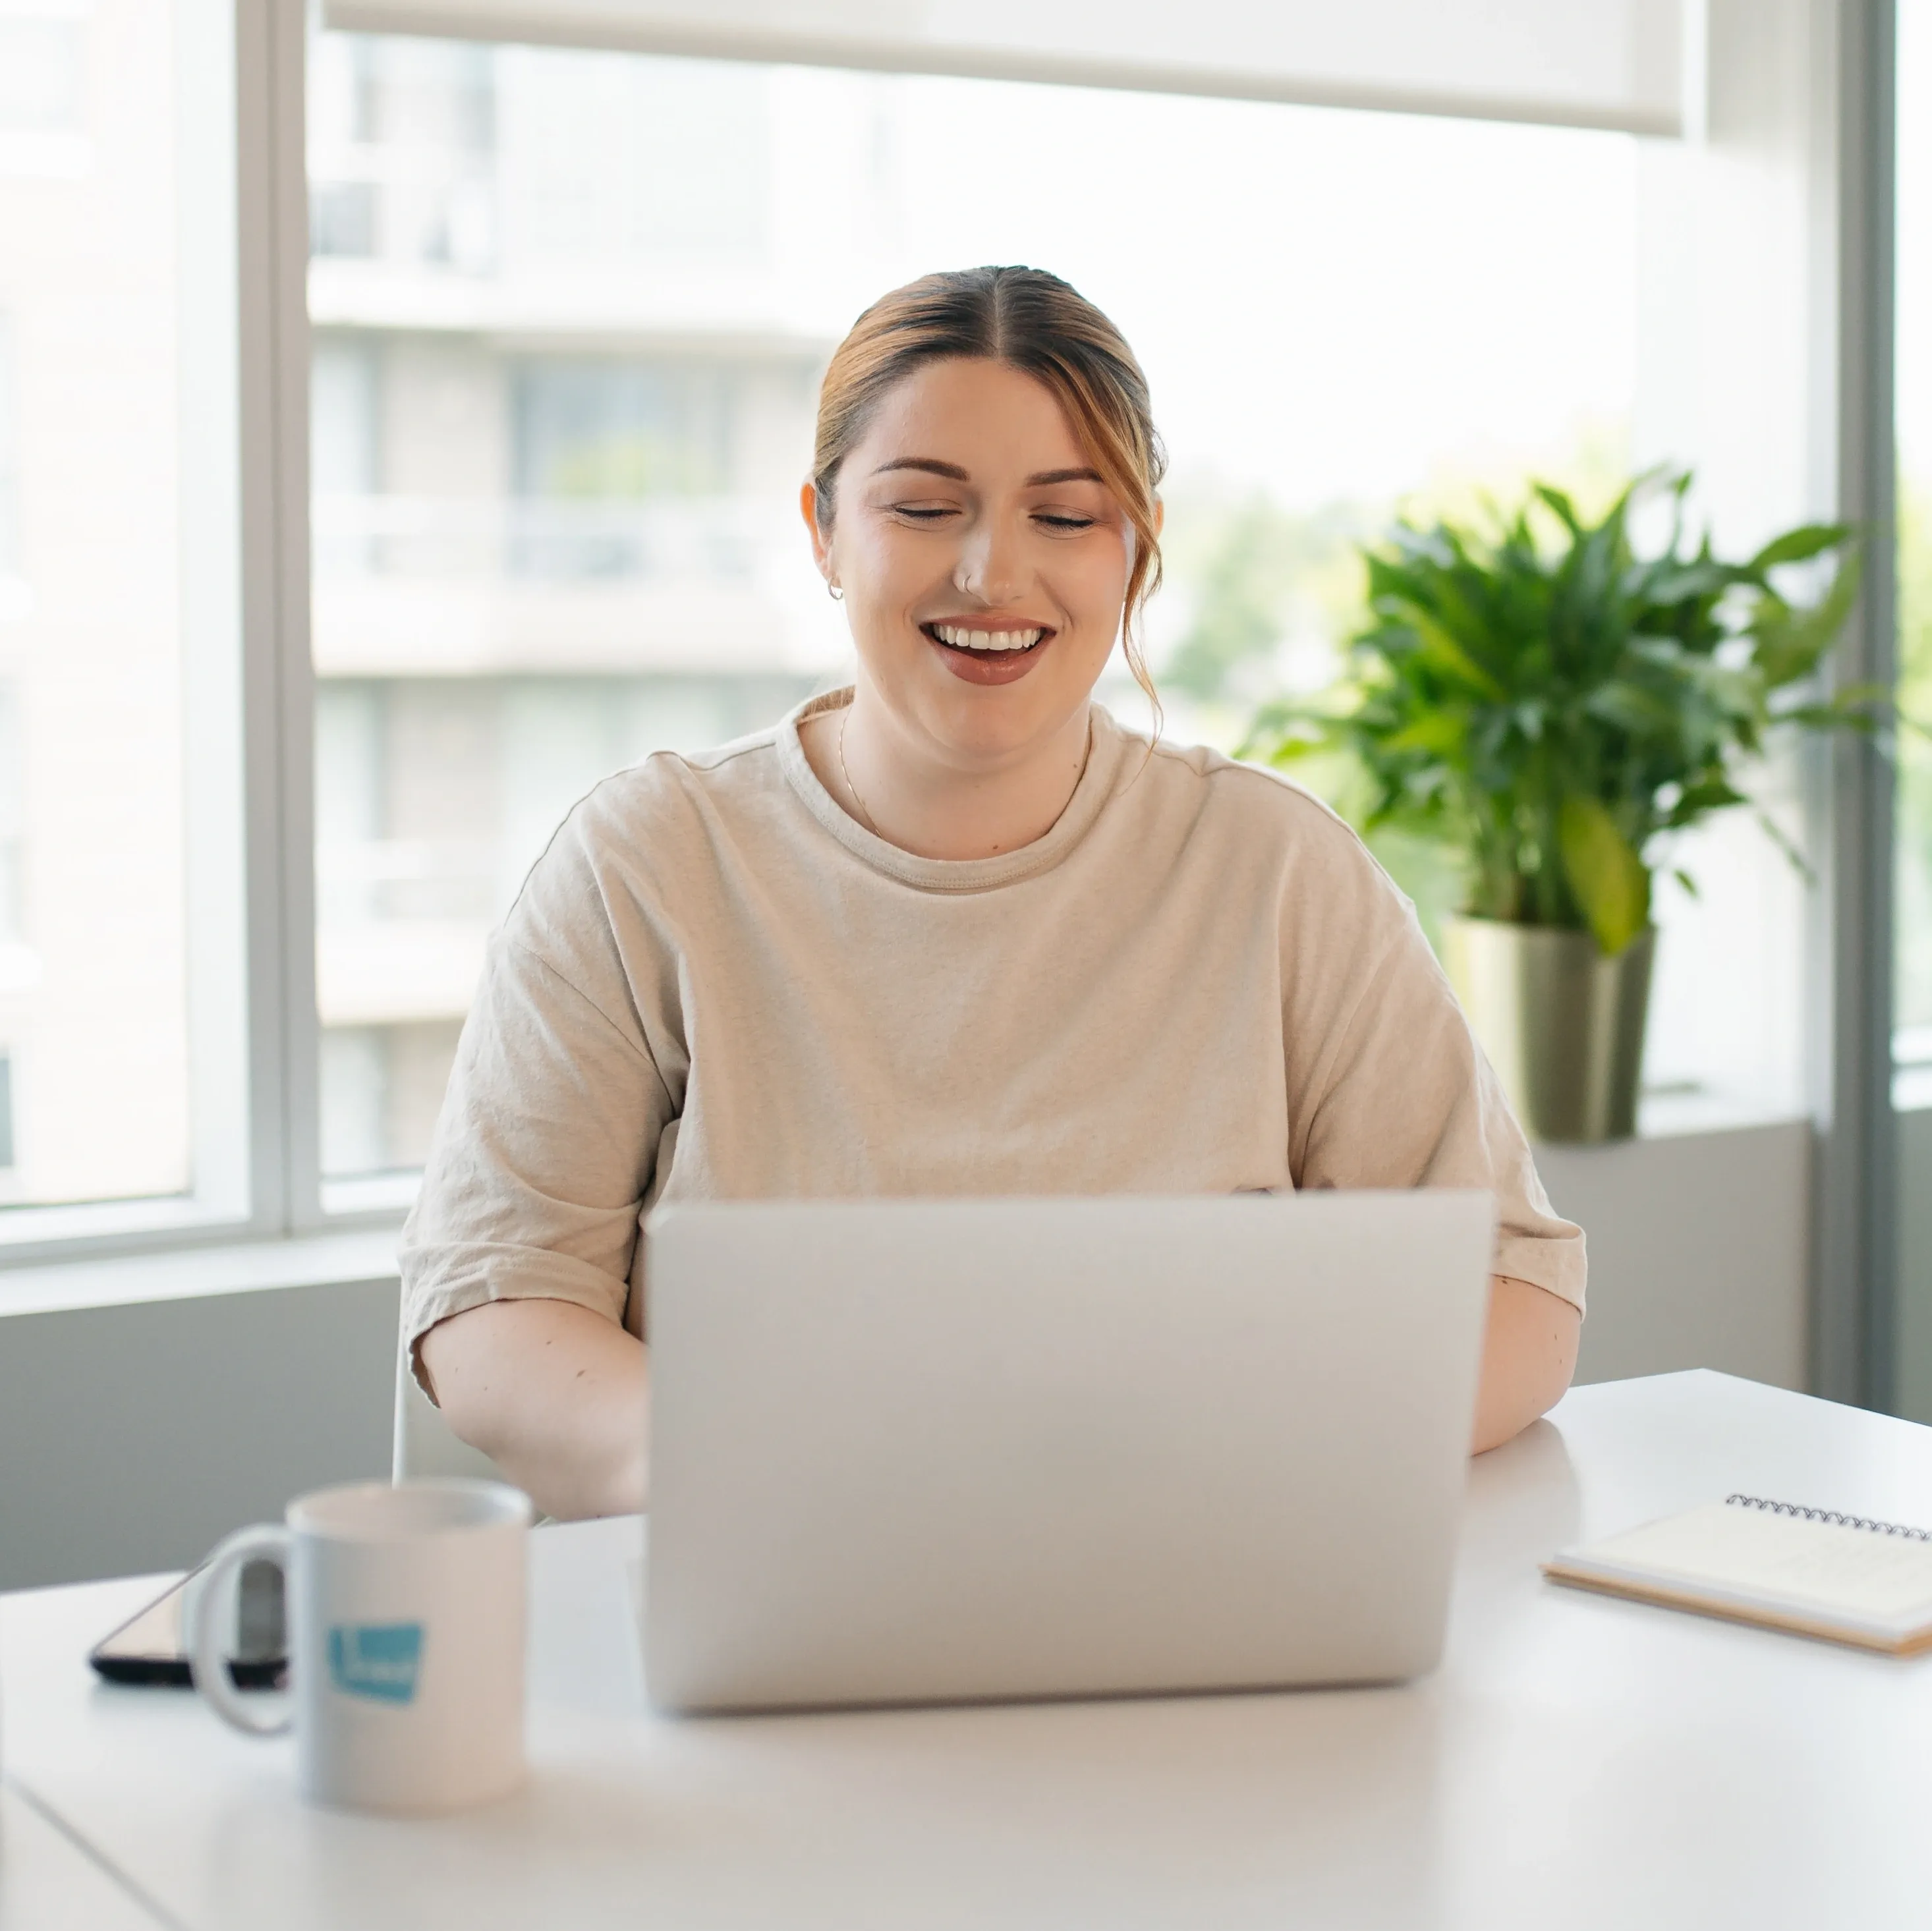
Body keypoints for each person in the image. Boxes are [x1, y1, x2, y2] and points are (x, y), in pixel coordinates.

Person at [403, 266, 1585, 1521]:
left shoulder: (1277, 868)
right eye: (922, 506)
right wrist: (758, 1476)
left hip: (1186, 1593)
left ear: (1136, 550)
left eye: (1067, 519)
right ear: (821, 529)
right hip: (765, 1600)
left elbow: (1512, 1290)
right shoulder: (645, 862)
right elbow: (490, 1304)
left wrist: (1211, 1450)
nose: (991, 574)